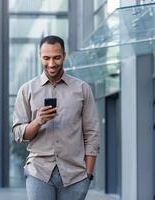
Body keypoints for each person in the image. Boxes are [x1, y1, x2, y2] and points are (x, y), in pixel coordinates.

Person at [12, 35, 99, 200]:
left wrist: (88, 174)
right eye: (46, 58)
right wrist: (38, 121)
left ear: (64, 56)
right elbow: (18, 133)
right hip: (39, 172)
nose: (51, 64)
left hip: (75, 175)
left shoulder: (82, 89)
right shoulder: (27, 90)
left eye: (56, 58)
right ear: (40, 57)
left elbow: (91, 133)